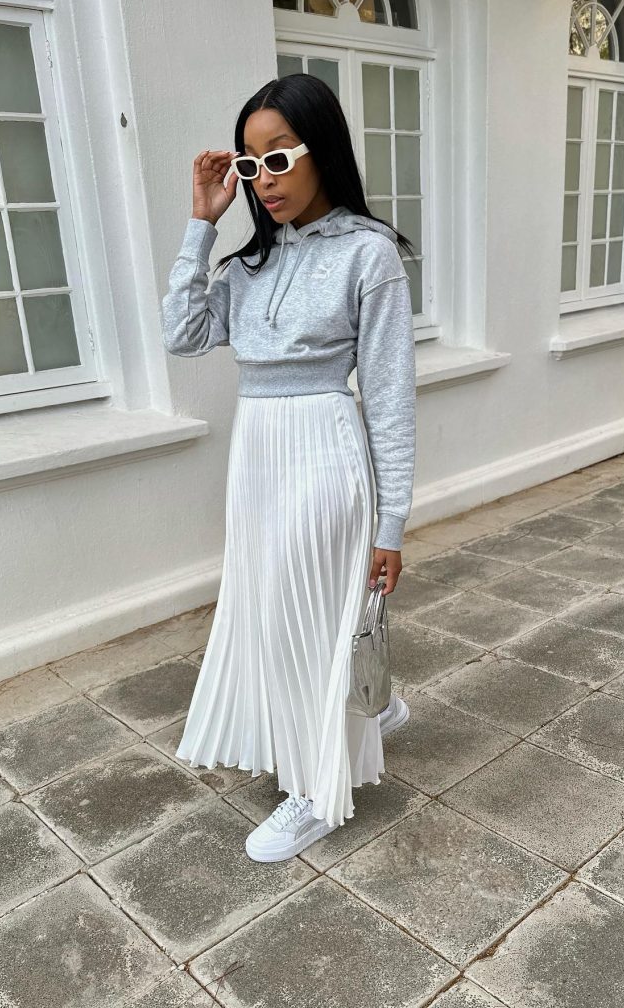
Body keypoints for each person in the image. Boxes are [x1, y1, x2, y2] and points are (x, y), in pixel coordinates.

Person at [160, 73, 416, 863]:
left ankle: (314, 789)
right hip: (257, 456)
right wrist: (201, 226)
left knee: (308, 621)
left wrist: (391, 523)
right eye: (249, 164)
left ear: (320, 151)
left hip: (324, 450)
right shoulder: (246, 268)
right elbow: (181, 335)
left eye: (277, 157)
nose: (262, 180)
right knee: (272, 614)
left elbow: (389, 398)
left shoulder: (368, 255)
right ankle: (368, 706)